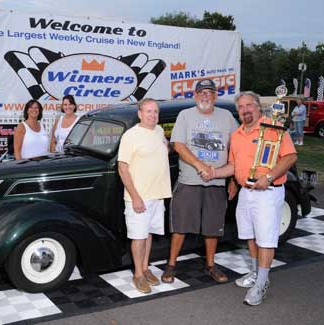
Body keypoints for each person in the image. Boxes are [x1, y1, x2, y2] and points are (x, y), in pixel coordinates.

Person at [206, 91, 297, 306]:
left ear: (258, 107)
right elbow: (233, 166)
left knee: (266, 239)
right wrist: (213, 173)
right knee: (251, 236)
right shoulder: (237, 134)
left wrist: (269, 176)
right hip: (246, 192)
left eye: (249, 105)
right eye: (241, 107)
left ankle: (262, 284)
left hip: (268, 192)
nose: (245, 110)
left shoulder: (273, 127)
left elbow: (291, 156)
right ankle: (257, 273)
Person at [161, 79, 238, 285]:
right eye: (201, 92)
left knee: (213, 227)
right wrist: (200, 166)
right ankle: (171, 264)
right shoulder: (185, 115)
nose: (205, 96)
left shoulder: (227, 116)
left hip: (217, 182)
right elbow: (178, 145)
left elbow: (236, 148)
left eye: (210, 92)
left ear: (215, 96)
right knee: (180, 225)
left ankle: (211, 265)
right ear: (195, 96)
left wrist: (233, 180)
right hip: (190, 180)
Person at [118, 98, 172, 294]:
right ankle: (138, 275)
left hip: (158, 195)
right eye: (148, 111)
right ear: (140, 113)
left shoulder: (158, 132)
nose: (153, 115)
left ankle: (145, 268)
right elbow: (122, 168)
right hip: (139, 197)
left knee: (148, 234)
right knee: (138, 237)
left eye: (155, 111)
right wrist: (136, 197)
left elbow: (163, 149)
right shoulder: (130, 136)